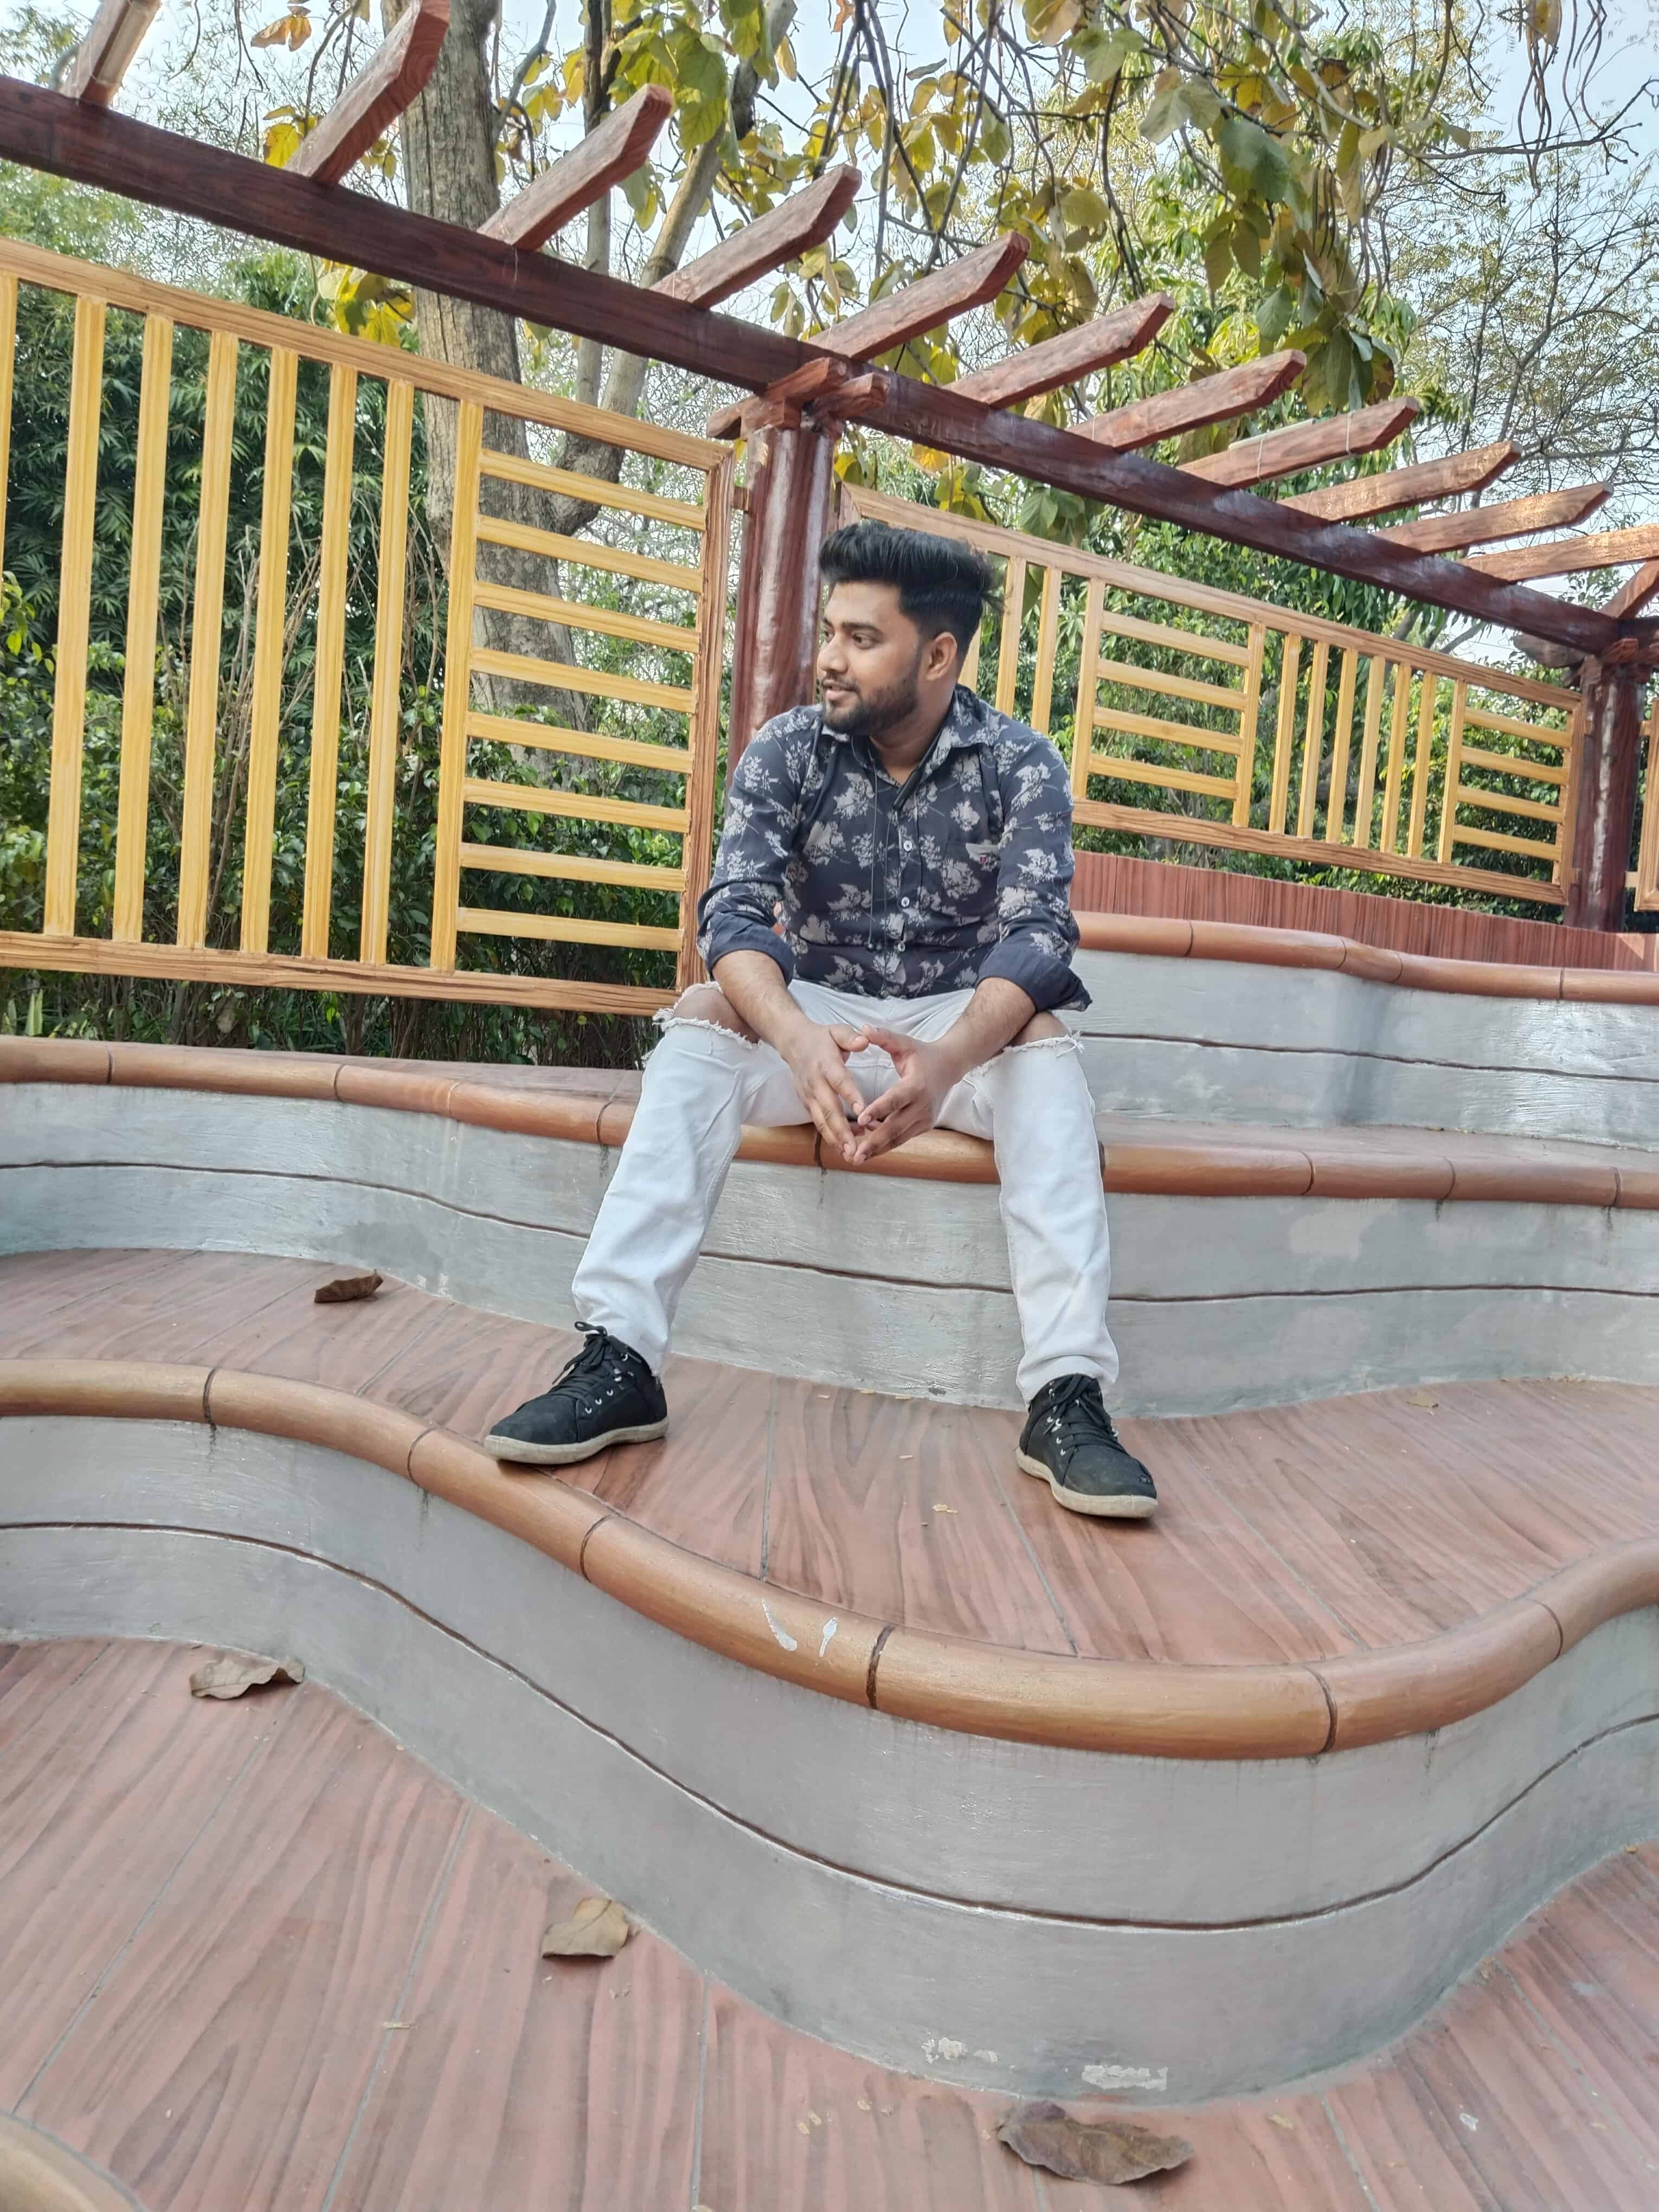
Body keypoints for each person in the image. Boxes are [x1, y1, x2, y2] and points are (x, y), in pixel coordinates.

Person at [485, 521, 1156, 1520]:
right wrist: (797, 1041)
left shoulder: (1021, 764)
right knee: (705, 1014)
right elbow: (733, 917)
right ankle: (621, 1355)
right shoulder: (789, 749)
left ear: (938, 654)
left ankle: (1067, 1395)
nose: (830, 659)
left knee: (1046, 1044)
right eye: (828, 632)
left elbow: (1037, 940)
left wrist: (944, 1061)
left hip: (956, 1026)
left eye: (860, 638)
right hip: (819, 1016)